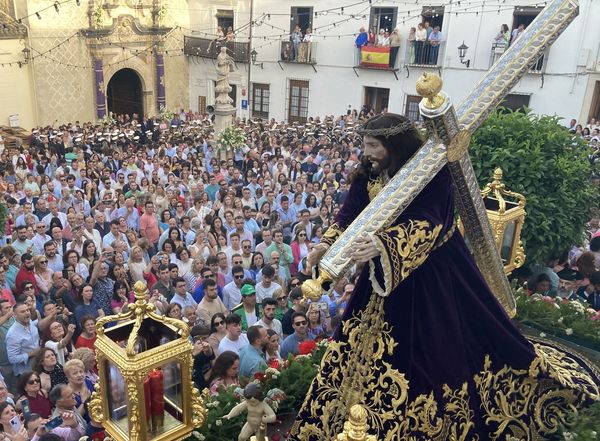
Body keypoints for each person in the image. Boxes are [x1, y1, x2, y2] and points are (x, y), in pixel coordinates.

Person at [289, 113, 600, 440]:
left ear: (394, 146)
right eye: (364, 144)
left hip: (432, 275)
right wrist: (326, 245)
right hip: (380, 275)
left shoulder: (432, 174)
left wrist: (385, 244)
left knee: (440, 348)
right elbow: (349, 216)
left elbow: (431, 221)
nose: (365, 151)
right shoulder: (367, 175)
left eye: (372, 145)